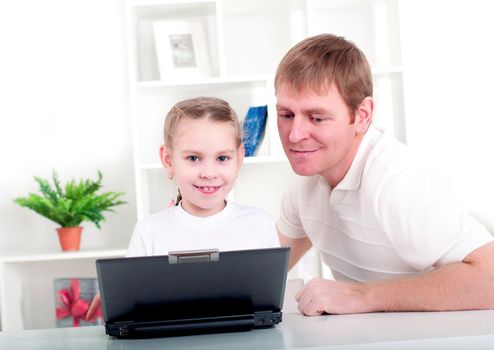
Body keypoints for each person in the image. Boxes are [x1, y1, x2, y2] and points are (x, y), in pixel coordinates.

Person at [274, 33, 494, 315]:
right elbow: (263, 272)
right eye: (286, 115)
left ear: (363, 115)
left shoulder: (398, 181)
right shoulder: (304, 187)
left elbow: (490, 277)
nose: (295, 135)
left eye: (317, 118)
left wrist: (363, 297)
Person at [86, 96, 279, 320]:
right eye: (194, 158)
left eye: (223, 158)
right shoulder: (149, 231)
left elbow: (267, 307)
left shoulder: (259, 224)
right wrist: (117, 294)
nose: (209, 172)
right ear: (168, 160)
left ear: (239, 158)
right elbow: (131, 301)